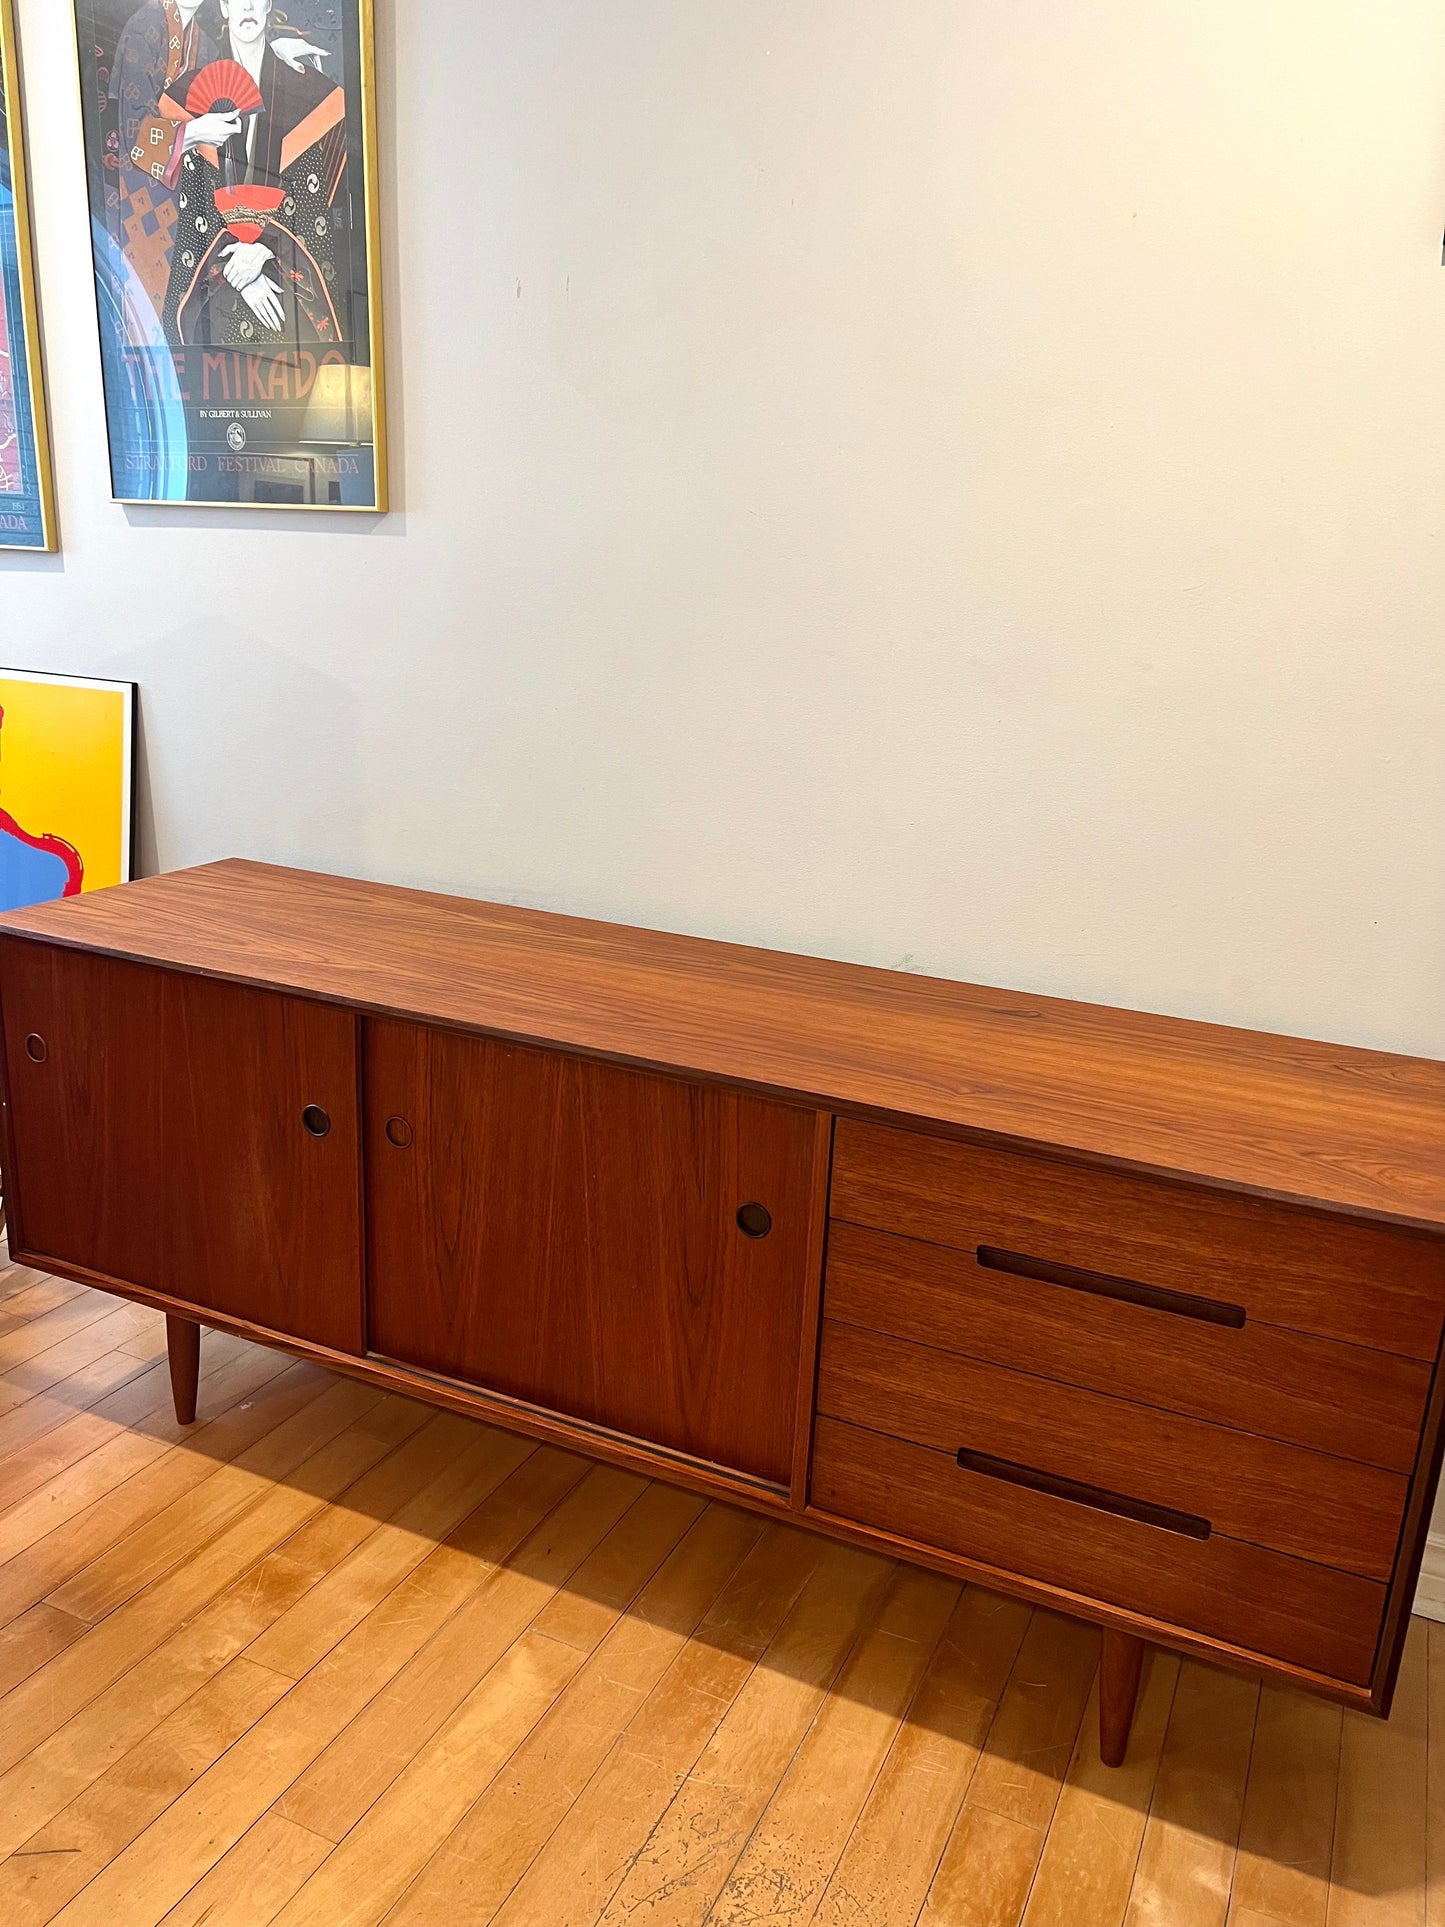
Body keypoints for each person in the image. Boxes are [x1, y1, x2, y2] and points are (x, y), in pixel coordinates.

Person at [158, 0, 349, 347]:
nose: (246, 5)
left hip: (287, 297)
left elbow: (312, 209)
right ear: (224, 7)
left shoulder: (305, 94)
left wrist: (263, 252)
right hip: (219, 298)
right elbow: (195, 217)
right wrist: (239, 273)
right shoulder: (191, 98)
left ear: (269, 4)